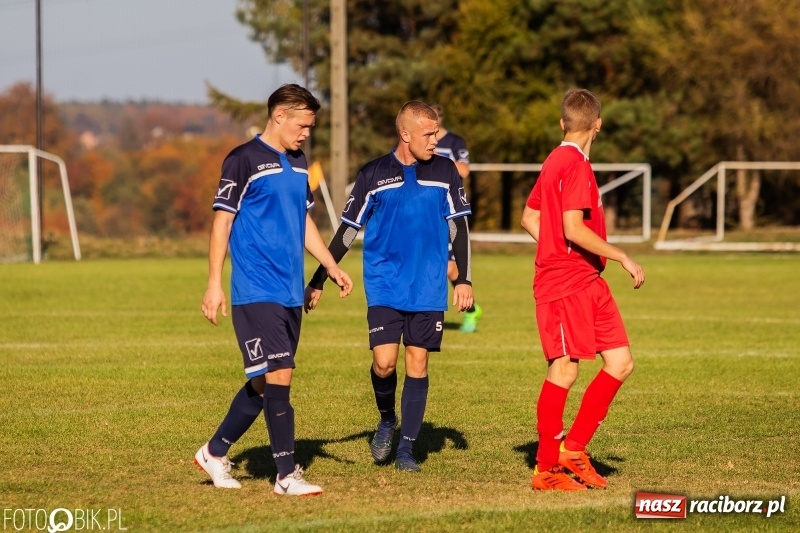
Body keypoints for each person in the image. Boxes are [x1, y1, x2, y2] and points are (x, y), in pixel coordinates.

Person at [195, 84, 353, 496]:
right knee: (281, 373)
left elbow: (303, 222)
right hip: (254, 288)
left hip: (289, 290)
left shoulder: (301, 164)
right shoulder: (242, 159)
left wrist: (330, 266)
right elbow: (222, 222)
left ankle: (214, 452)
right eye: (302, 125)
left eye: (311, 127)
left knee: (265, 381)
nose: (305, 134)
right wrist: (214, 283)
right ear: (279, 116)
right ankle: (285, 475)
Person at [304, 101, 474, 472]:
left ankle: (406, 450)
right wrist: (319, 278)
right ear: (405, 134)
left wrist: (463, 278)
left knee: (418, 362)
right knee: (384, 364)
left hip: (428, 285)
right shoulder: (373, 173)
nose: (435, 141)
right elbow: (347, 231)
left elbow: (459, 227)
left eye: (436, 132)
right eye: (428, 134)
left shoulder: (445, 171)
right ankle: (386, 420)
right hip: (384, 282)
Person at [520, 88, 645, 491]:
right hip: (564, 284)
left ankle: (573, 450)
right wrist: (622, 256)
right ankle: (545, 469)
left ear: (562, 123)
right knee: (565, 369)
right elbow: (573, 229)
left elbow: (529, 218)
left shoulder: (556, 160)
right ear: (598, 125)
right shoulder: (572, 165)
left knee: (621, 362)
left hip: (589, 280)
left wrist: (554, 244)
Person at [430, 104, 483, 333]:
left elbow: (464, 170)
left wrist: (438, 158)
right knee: (438, 266)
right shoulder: (419, 141)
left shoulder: (454, 142)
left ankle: (469, 310)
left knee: (449, 269)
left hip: (448, 209)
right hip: (428, 209)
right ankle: (428, 316)